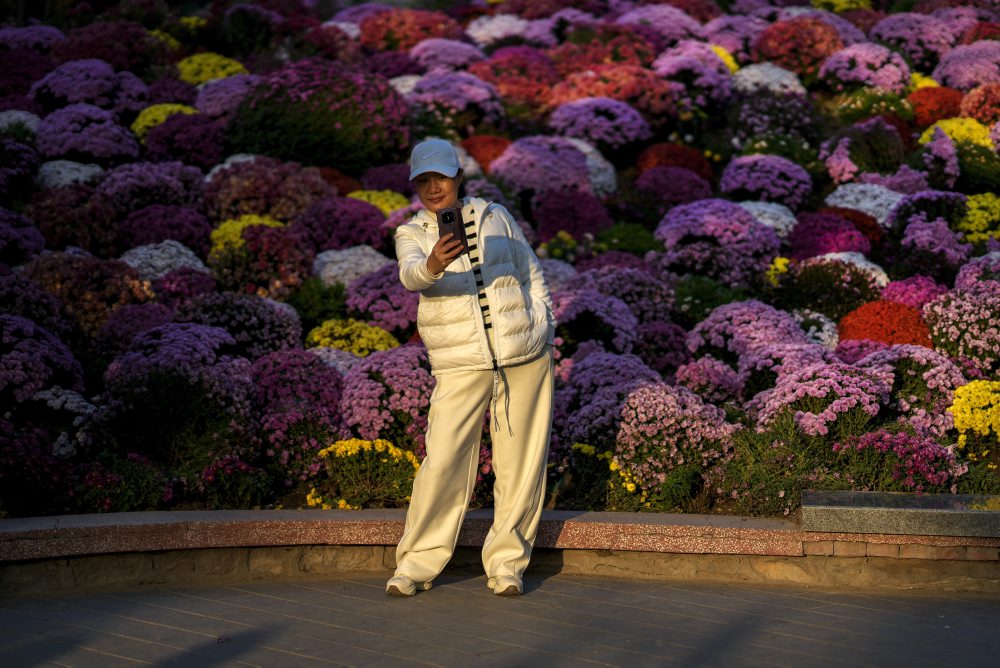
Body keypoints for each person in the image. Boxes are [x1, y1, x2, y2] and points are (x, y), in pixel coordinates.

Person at [386, 138, 556, 597]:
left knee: (521, 463)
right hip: (460, 363)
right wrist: (434, 265)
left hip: (525, 355)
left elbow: (530, 272)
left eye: (440, 176)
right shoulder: (412, 233)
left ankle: (507, 565)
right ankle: (416, 566)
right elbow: (409, 276)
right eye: (424, 180)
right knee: (442, 461)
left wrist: (542, 322)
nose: (433, 187)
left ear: (458, 177)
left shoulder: (495, 215)